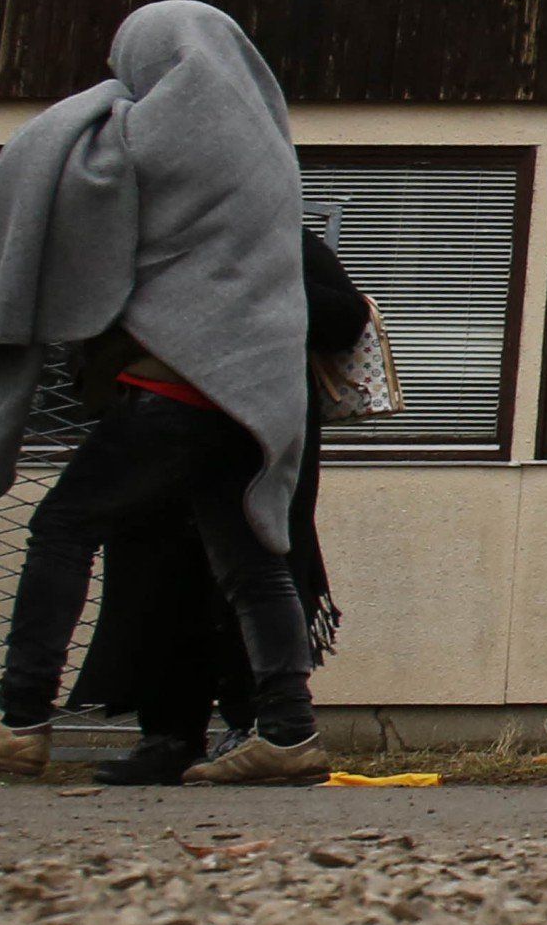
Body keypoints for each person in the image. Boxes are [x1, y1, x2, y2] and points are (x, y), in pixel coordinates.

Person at [0, 2, 333, 785]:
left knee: (62, 526)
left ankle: (20, 718)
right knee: (252, 560)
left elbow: (78, 179)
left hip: (176, 386)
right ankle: (287, 733)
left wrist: (91, 105)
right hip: (251, 397)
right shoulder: (263, 143)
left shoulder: (163, 130)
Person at [72, 228, 364, 785]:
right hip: (153, 436)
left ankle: (254, 726)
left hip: (251, 444)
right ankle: (167, 736)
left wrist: (247, 294)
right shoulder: (145, 241)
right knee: (152, 580)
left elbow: (343, 321)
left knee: (251, 577)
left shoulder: (279, 240)